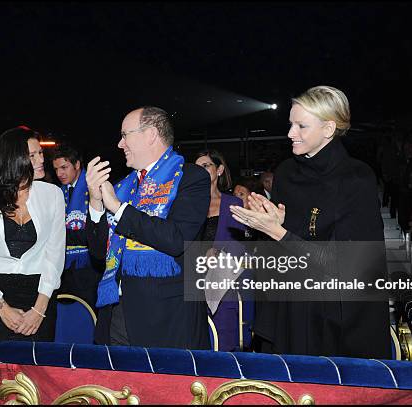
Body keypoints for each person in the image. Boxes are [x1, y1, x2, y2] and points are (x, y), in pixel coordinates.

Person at [230, 85, 390, 358]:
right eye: (291, 124)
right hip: (288, 305)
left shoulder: (356, 179)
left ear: (328, 129)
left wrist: (279, 232)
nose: (291, 133)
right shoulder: (287, 171)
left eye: (302, 126)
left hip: (333, 315)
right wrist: (274, 223)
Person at [86, 106, 211, 349]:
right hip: (116, 314)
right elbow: (99, 253)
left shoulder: (190, 178)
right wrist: (96, 202)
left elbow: (176, 239)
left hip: (166, 318)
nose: (120, 144)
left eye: (125, 135)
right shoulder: (125, 186)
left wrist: (118, 208)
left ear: (151, 135)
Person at [0, 126, 65, 341]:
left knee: (38, 370)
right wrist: (2, 307)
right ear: (13, 159)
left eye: (40, 153)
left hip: (41, 295)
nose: (40, 160)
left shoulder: (53, 195)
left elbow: (55, 255)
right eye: (32, 155)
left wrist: (39, 310)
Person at [195, 150, 249, 351]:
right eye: (196, 167)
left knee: (224, 343)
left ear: (219, 170)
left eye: (206, 165)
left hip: (223, 283)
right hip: (192, 281)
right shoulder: (186, 204)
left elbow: (240, 245)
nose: (201, 170)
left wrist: (216, 252)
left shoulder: (233, 204)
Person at [52, 144, 102, 309]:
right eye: (56, 169)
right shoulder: (59, 191)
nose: (60, 173)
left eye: (64, 167)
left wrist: (61, 235)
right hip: (64, 266)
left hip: (89, 266)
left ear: (78, 165)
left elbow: (95, 232)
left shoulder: (95, 188)